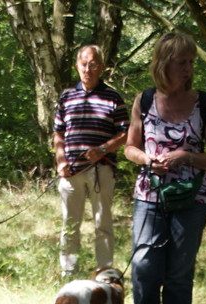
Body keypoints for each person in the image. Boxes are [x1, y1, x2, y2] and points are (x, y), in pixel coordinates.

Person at [123, 32, 206, 304]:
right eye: (182, 62)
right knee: (144, 270)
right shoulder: (146, 100)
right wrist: (147, 160)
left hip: (191, 199)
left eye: (192, 62)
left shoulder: (204, 103)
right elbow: (129, 148)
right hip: (149, 196)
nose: (188, 68)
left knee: (179, 275)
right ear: (163, 63)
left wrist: (186, 156)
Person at [52, 45, 129, 279]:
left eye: (93, 64)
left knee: (103, 223)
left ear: (101, 67)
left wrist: (103, 149)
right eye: (84, 64)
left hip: (102, 170)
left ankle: (104, 271)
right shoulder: (66, 96)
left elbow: (126, 133)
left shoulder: (113, 96)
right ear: (77, 66)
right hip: (71, 171)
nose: (88, 69)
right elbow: (58, 134)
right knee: (70, 223)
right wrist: (61, 161)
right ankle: (68, 271)